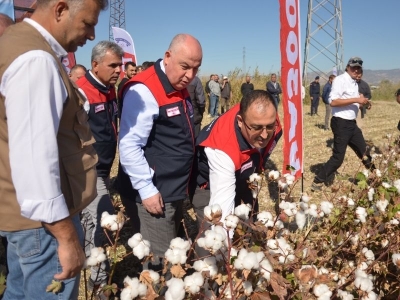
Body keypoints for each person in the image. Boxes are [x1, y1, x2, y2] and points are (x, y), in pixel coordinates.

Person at [0, 0, 107, 299]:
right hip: (43, 225)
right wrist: (65, 235)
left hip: (27, 219)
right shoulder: (36, 59)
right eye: (88, 23)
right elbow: (35, 159)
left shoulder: (17, 44)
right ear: (61, 10)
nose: (91, 35)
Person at [117, 33, 202, 271]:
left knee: (172, 251)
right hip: (155, 195)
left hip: (172, 189)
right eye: (185, 67)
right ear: (168, 57)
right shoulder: (144, 91)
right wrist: (146, 189)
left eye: (196, 69)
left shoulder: (178, 84)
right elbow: (129, 145)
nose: (191, 76)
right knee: (160, 263)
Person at [192, 90, 282, 238]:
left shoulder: (270, 120)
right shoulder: (222, 147)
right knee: (211, 244)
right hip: (209, 184)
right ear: (240, 121)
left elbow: (263, 150)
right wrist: (225, 252)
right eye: (257, 127)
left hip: (243, 176)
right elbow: (222, 208)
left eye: (269, 126)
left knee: (250, 233)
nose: (265, 135)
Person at [76, 40, 123, 292]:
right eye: (112, 65)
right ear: (95, 64)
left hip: (104, 169)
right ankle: (100, 286)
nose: (119, 70)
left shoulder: (109, 89)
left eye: (120, 65)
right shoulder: (82, 93)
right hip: (88, 170)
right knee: (105, 223)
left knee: (91, 221)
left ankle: (86, 262)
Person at [311, 57, 374, 192]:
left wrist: (364, 103)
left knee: (364, 152)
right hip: (341, 123)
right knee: (338, 158)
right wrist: (357, 99)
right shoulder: (340, 80)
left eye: (359, 68)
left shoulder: (354, 83)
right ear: (347, 67)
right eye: (354, 67)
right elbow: (333, 102)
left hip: (351, 124)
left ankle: (377, 177)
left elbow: (352, 101)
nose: (356, 70)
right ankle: (318, 180)